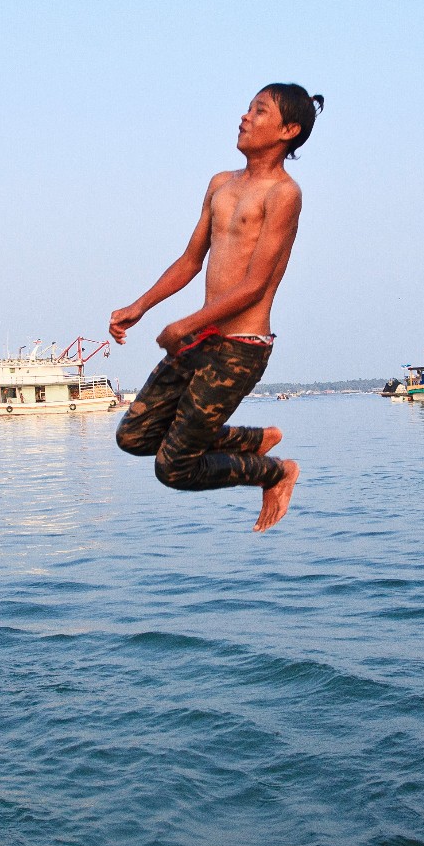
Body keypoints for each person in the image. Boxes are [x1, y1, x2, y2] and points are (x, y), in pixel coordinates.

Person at [110, 85, 320, 531]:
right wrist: (140, 306)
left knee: (174, 468)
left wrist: (185, 323)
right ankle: (255, 439)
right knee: (133, 436)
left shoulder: (284, 194)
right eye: (247, 108)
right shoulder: (220, 184)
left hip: (239, 347)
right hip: (201, 338)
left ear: (288, 130)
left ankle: (276, 471)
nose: (244, 117)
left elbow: (254, 284)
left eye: (259, 111)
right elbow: (190, 260)